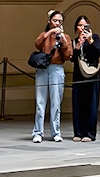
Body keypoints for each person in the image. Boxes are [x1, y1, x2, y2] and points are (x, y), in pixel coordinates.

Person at [32, 10, 73, 143]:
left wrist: (63, 41)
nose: (57, 23)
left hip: (57, 69)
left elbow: (68, 55)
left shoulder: (65, 36)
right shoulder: (44, 35)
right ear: (49, 21)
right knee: (40, 102)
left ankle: (56, 132)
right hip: (43, 69)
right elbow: (37, 44)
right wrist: (49, 33)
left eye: (60, 21)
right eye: (55, 20)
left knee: (56, 102)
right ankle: (38, 132)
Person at [71, 15, 100, 141]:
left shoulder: (95, 38)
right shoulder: (74, 41)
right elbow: (72, 58)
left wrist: (90, 41)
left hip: (92, 74)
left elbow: (98, 52)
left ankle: (90, 133)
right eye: (79, 25)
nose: (82, 28)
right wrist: (78, 45)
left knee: (92, 103)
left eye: (84, 25)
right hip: (79, 74)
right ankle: (78, 132)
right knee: (78, 102)